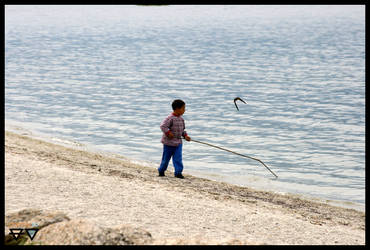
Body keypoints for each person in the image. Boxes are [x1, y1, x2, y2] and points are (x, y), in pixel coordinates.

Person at [158, 99, 191, 178]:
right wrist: (168, 133)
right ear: (177, 109)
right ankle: (161, 170)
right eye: (183, 108)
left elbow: (182, 130)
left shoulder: (181, 119)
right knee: (165, 159)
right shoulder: (170, 118)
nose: (184, 110)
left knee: (178, 159)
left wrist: (185, 136)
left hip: (178, 143)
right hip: (168, 144)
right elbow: (163, 126)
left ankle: (178, 172)